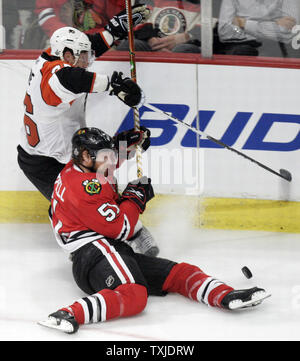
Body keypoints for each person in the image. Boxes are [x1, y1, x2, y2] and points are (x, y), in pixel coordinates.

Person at [38, 127, 270, 334]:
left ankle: (226, 296)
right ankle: (68, 314)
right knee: (134, 296)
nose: (109, 160)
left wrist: (124, 145)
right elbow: (122, 228)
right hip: (94, 252)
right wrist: (134, 198)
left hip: (106, 250)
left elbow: (105, 169)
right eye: (103, 156)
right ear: (87, 157)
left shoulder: (81, 168)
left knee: (179, 273)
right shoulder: (83, 189)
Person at [17, 6, 159, 256]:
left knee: (98, 181)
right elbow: (73, 79)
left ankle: (124, 232)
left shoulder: (53, 54)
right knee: (89, 202)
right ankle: (108, 245)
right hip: (46, 161)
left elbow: (87, 49)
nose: (87, 60)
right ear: (67, 55)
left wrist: (114, 31)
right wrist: (114, 85)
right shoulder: (55, 78)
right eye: (81, 56)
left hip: (55, 151)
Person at [217, 0, 299, 57]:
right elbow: (225, 31)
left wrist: (243, 23)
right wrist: (273, 25)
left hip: (277, 47)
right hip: (241, 46)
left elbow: (288, 31)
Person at [116, 0, 204, 53]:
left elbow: (210, 25)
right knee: (129, 45)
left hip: (188, 45)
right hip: (152, 46)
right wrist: (150, 39)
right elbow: (139, 20)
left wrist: (187, 37)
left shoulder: (204, 3)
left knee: (182, 50)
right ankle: (125, 83)